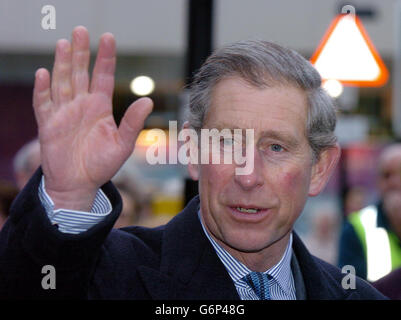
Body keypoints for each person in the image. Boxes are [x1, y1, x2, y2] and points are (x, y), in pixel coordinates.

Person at [0, 26, 385, 299]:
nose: (248, 176)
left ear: (319, 167)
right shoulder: (111, 275)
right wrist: (68, 198)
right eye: (226, 143)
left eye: (276, 148)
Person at [338, 144, 401, 282]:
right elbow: (348, 287)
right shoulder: (357, 227)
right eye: (387, 175)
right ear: (377, 181)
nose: (394, 182)